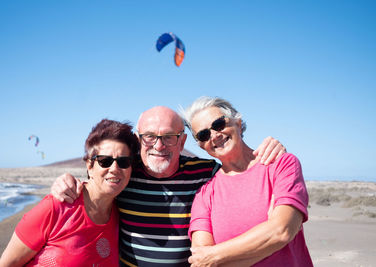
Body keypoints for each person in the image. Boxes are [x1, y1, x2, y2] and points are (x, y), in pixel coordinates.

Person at [51, 106, 286, 267]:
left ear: (182, 141)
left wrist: (267, 151)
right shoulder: (124, 171)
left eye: (169, 137)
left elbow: (240, 172)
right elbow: (96, 182)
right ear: (138, 139)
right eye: (150, 137)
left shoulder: (205, 172)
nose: (159, 145)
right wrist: (66, 182)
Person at [181, 96, 313, 266]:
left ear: (238, 123)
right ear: (201, 145)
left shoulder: (281, 164)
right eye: (204, 134)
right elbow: (201, 261)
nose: (214, 136)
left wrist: (215, 256)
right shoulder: (205, 194)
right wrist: (269, 238)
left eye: (219, 125)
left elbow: (282, 231)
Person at [0, 119, 139, 267]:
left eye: (123, 162)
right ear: (89, 165)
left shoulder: (121, 214)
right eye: (105, 160)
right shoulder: (56, 207)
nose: (115, 168)